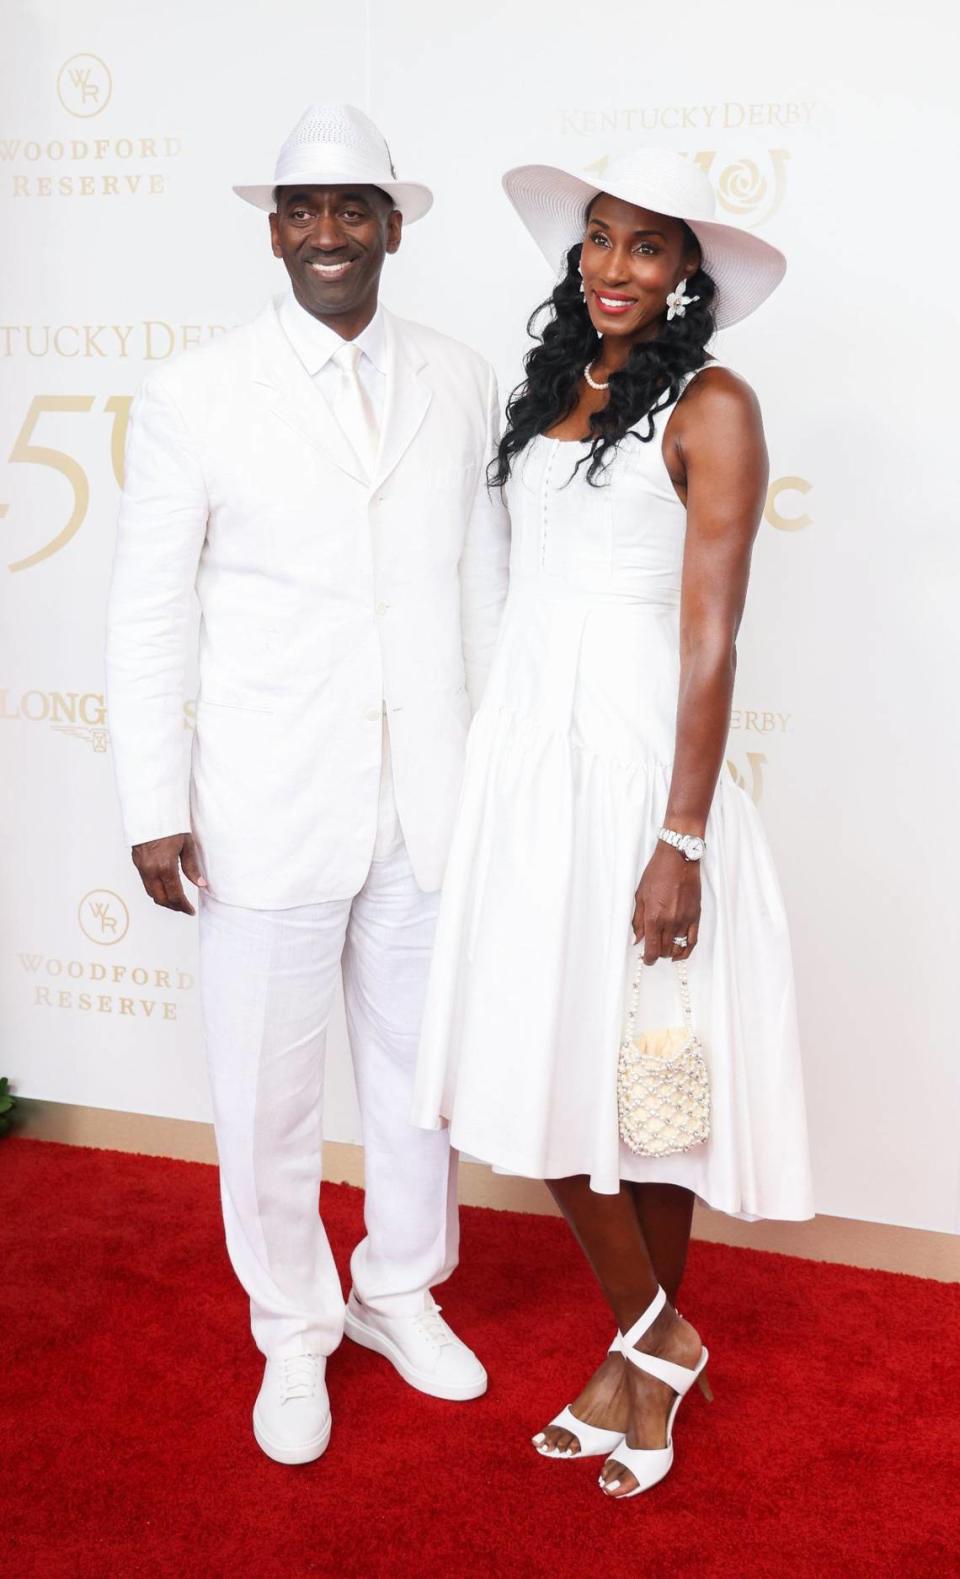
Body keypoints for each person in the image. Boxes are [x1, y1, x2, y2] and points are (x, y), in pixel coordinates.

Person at [105, 102, 509, 1466]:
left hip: (429, 800)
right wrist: (153, 798)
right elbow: (149, 612)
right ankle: (295, 1327)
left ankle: (402, 1288)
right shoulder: (194, 394)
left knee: (415, 1081)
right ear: (273, 229)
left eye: (353, 209)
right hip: (265, 802)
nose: (328, 233)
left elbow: (485, 598)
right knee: (267, 1096)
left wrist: (496, 782)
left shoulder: (461, 377)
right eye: (302, 210)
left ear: (395, 224)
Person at [412, 149, 813, 1500]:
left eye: (646, 247)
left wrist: (680, 833)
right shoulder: (549, 393)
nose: (612, 266)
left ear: (689, 272)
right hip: (530, 760)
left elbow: (711, 640)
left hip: (638, 771)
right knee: (539, 1051)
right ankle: (661, 1337)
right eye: (596, 241)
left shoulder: (717, 406)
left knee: (650, 1083)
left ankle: (636, 1369)